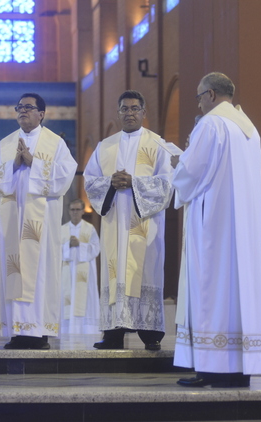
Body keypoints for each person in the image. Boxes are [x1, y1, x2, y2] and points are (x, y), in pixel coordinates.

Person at [171, 72, 261, 388]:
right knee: (236, 294)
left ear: (210, 94)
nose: (198, 103)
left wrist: (179, 160)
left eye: (198, 96)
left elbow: (191, 171)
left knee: (211, 289)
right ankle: (238, 367)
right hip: (243, 229)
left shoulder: (210, 124)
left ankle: (212, 368)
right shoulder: (249, 129)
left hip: (213, 225)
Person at [0, 93, 77, 349]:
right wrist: (13, 164)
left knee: (41, 272)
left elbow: (65, 178)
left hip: (41, 225)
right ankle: (17, 331)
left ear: (41, 114)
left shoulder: (55, 143)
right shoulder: (6, 144)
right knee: (14, 270)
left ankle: (39, 332)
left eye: (28, 107)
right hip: (12, 222)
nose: (23, 111)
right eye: (20, 107)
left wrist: (33, 163)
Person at [84, 90, 173, 351]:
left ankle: (150, 334)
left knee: (145, 271)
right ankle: (113, 334)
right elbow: (90, 180)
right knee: (115, 273)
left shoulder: (157, 145)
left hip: (145, 225)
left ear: (144, 113)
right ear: (118, 112)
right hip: (114, 222)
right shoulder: (105, 146)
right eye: (125, 109)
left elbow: (167, 184)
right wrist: (110, 183)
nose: (130, 113)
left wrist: (134, 183)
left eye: (135, 108)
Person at [59, 199, 101, 336]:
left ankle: (86, 330)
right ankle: (66, 330)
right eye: (72, 210)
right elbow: (55, 250)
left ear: (83, 211)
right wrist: (67, 246)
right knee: (67, 296)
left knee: (85, 298)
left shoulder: (89, 228)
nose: (75, 212)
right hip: (67, 270)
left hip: (84, 273)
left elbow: (96, 248)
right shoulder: (62, 229)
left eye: (78, 209)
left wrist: (80, 245)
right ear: (69, 211)